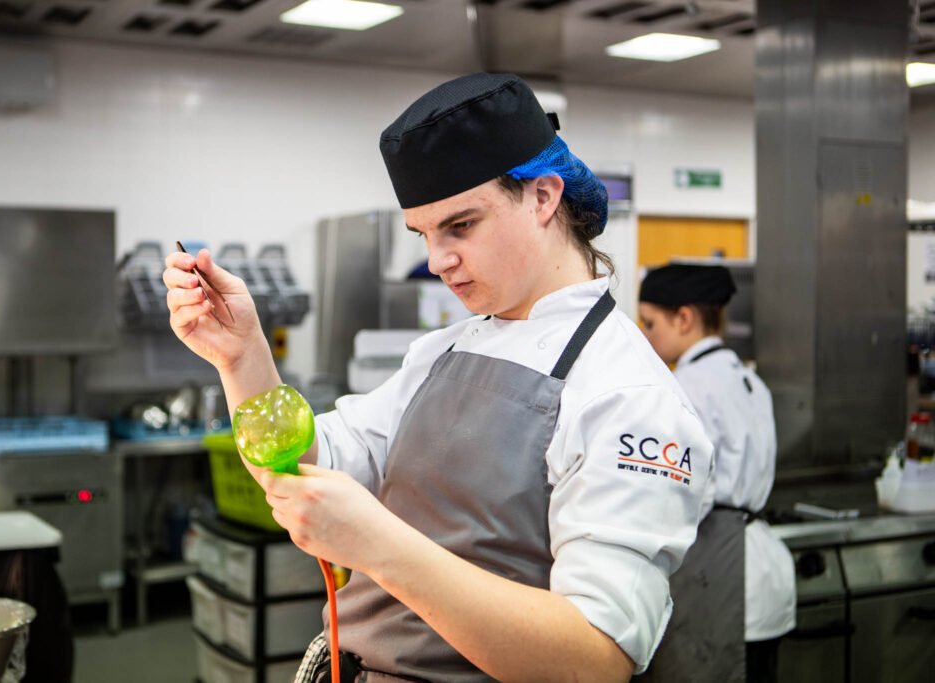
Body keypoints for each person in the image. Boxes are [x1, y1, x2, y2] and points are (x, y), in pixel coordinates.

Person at [164, 72, 712, 683]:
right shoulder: (444, 350)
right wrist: (242, 356)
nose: (436, 260)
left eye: (461, 225)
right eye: (423, 233)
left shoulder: (626, 395)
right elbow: (306, 469)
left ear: (543, 198)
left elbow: (595, 657)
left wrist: (378, 546)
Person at [636, 264, 796, 683]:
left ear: (684, 318)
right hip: (764, 572)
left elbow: (689, 496)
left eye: (650, 323)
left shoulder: (686, 385)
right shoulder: (749, 380)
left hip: (720, 574)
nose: (646, 336)